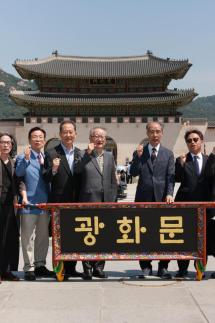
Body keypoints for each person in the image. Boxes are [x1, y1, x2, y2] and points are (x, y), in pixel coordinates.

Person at [130, 121, 175, 279]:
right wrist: (138, 158)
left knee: (164, 234)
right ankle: (145, 266)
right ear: (147, 133)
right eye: (152, 132)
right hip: (143, 199)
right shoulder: (140, 152)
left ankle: (163, 266)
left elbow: (170, 177)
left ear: (162, 133)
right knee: (143, 234)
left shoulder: (168, 153)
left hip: (163, 199)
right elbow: (134, 173)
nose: (155, 135)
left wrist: (170, 193)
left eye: (158, 131)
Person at [74, 127, 117, 280]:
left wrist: (113, 200)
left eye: (102, 137)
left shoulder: (109, 156)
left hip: (106, 201)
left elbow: (113, 180)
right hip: (88, 200)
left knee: (103, 235)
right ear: (90, 138)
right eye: (96, 136)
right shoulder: (81, 153)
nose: (99, 139)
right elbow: (77, 170)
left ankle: (99, 267)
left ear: (105, 140)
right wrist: (87, 154)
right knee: (87, 235)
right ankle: (87, 269)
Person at [42, 120, 82, 279]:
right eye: (65, 132)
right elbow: (45, 177)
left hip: (76, 201)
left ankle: (72, 268)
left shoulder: (80, 153)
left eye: (71, 132)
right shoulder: (51, 153)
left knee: (74, 236)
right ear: (60, 134)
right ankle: (60, 270)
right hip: (59, 202)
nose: (68, 135)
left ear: (75, 134)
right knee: (59, 238)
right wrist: (53, 169)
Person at [15, 127, 52, 281]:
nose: (38, 139)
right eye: (35, 137)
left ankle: (40, 264)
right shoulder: (22, 157)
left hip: (44, 203)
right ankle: (29, 267)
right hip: (28, 203)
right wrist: (26, 159)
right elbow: (18, 174)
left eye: (40, 137)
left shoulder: (47, 157)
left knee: (43, 237)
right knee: (27, 237)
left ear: (44, 140)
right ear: (30, 140)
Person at [175, 129, 209, 278]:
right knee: (185, 239)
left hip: (205, 207)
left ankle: (200, 269)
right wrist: (181, 164)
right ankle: (182, 268)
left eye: (195, 139)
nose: (193, 142)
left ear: (201, 141)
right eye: (189, 140)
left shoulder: (210, 160)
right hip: (185, 206)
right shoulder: (181, 159)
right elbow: (176, 178)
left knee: (204, 239)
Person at [0, 133, 20, 282]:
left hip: (10, 204)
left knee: (9, 238)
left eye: (8, 143)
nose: (6, 145)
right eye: (2, 142)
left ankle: (6, 270)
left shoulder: (14, 162)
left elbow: (19, 182)